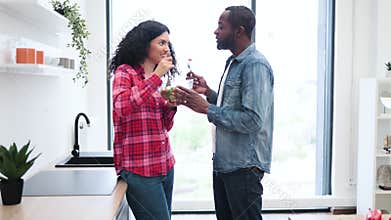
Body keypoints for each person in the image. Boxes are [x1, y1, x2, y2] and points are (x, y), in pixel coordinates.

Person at [175, 6, 274, 220]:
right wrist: (209, 93)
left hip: (244, 167)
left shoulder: (255, 65)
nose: (215, 31)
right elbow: (235, 105)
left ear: (238, 31)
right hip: (225, 163)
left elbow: (253, 120)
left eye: (221, 26)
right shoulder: (233, 62)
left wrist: (206, 108)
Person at [109, 20, 178, 220]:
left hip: (165, 165)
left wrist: (171, 107)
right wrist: (156, 76)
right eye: (161, 43)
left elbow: (163, 127)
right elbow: (121, 107)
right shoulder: (125, 72)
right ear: (145, 43)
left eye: (167, 44)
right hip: (140, 171)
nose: (167, 49)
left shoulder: (156, 79)